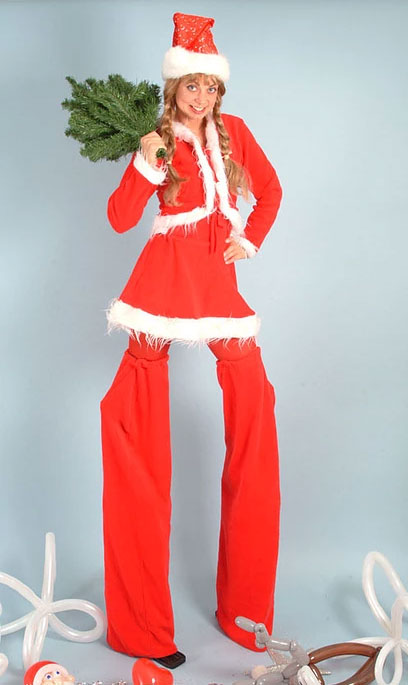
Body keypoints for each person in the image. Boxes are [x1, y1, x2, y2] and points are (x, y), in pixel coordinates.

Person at [100, 11, 282, 670]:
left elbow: (272, 192)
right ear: (172, 88)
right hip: (161, 283)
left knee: (255, 407)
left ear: (219, 90)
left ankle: (246, 610)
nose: (200, 97)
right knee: (134, 423)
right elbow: (120, 218)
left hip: (218, 287)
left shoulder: (236, 133)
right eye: (190, 86)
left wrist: (247, 240)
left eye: (209, 86)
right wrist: (145, 166)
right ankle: (142, 627)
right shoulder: (155, 139)